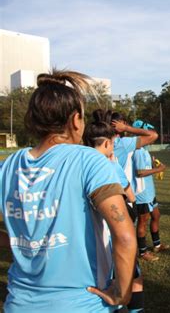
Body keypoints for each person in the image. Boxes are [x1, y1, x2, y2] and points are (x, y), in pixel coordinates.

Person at [0, 70, 137, 312]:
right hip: (82, 303)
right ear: (75, 120)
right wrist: (122, 293)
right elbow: (124, 235)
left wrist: (20, 242)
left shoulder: (8, 166)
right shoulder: (89, 160)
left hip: (18, 303)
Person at [83, 110, 145, 313]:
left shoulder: (78, 162)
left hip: (89, 243)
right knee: (131, 275)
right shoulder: (107, 165)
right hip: (114, 230)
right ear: (108, 143)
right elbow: (130, 195)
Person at [108, 111, 159, 262]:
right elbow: (153, 135)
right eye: (124, 123)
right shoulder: (122, 145)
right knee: (127, 231)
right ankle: (136, 257)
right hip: (128, 193)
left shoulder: (101, 143)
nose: (126, 126)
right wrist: (127, 128)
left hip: (112, 192)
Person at [131, 120, 170, 259]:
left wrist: (153, 164)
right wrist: (158, 169)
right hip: (142, 193)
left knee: (156, 216)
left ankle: (157, 245)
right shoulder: (139, 152)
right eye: (149, 133)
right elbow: (139, 172)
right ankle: (142, 252)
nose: (152, 136)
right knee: (143, 221)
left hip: (149, 192)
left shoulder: (144, 150)